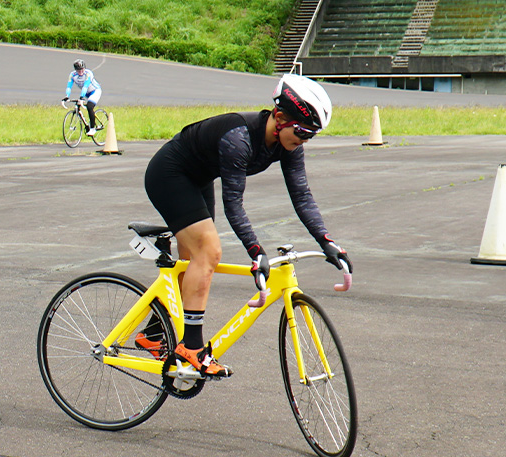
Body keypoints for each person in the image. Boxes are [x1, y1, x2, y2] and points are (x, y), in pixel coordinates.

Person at [140, 74, 350, 376]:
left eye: (311, 135)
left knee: (191, 263)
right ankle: (192, 346)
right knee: (209, 252)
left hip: (197, 179)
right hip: (169, 174)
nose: (303, 140)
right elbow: (234, 204)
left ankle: (152, 334)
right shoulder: (238, 138)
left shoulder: (288, 144)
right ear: (279, 116)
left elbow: (302, 197)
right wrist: (256, 251)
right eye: (302, 131)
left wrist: (328, 242)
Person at [65, 59, 102, 135]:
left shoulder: (88, 73)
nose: (81, 72)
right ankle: (87, 124)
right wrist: (67, 96)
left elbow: (85, 86)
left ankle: (92, 128)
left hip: (95, 91)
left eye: (82, 69)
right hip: (86, 93)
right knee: (79, 104)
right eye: (79, 70)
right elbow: (69, 86)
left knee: (89, 106)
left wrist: (81, 97)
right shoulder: (72, 75)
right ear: (75, 70)